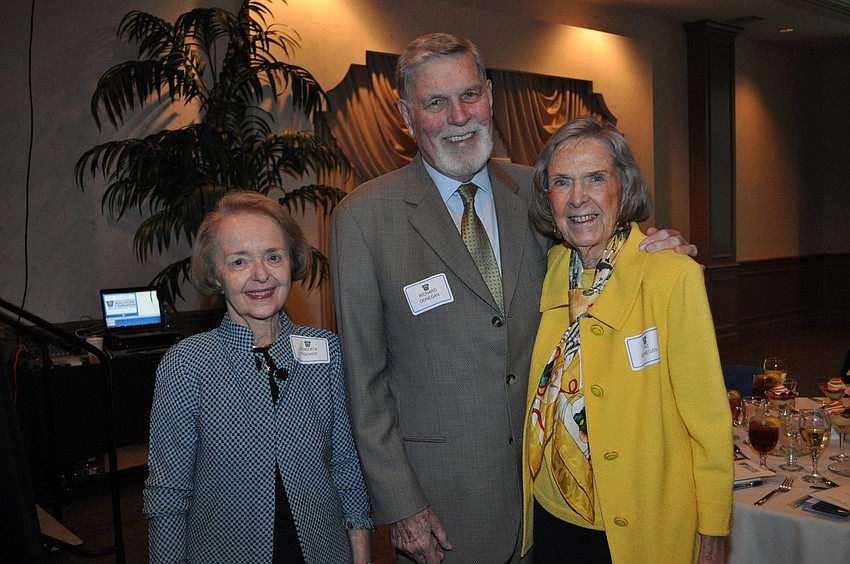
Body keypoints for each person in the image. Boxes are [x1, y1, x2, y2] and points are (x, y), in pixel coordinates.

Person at [330, 32, 694, 564]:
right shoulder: (364, 219)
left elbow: (603, 254)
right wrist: (401, 505)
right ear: (406, 116)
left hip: (550, 497)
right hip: (443, 507)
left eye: (469, 95)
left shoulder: (542, 192)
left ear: (490, 96)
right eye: (435, 103)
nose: (459, 116)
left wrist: (657, 249)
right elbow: (363, 383)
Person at [521, 117, 732, 564]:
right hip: (554, 512)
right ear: (548, 196)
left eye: (596, 178)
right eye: (562, 182)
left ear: (625, 185)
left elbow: (709, 419)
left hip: (643, 520)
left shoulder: (671, 275)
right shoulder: (551, 269)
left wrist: (714, 526)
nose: (578, 198)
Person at [144, 191, 373, 563]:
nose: (261, 274)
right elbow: (167, 494)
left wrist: (360, 556)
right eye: (239, 261)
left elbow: (347, 466)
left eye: (273, 256)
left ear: (291, 263)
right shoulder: (187, 364)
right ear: (215, 275)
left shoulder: (327, 351)